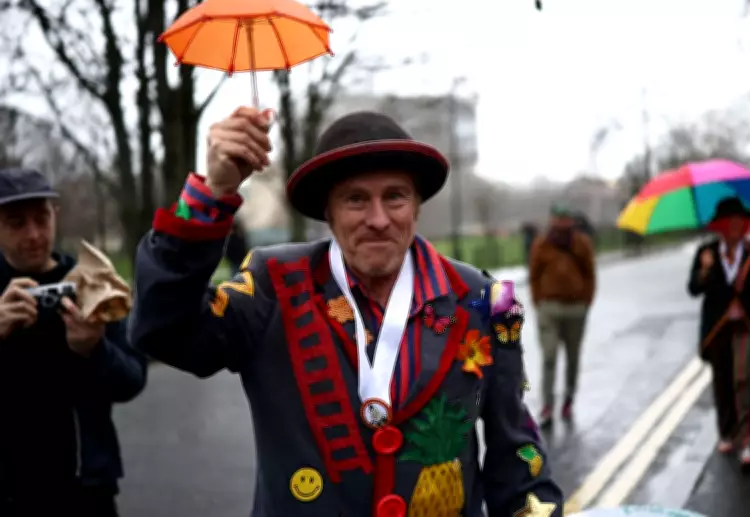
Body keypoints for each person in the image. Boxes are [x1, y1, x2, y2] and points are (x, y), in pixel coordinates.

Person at [129, 107, 564, 517]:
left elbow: (517, 458)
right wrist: (211, 193)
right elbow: (163, 329)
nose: (379, 219)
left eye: (395, 197)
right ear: (329, 213)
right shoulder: (273, 284)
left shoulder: (486, 300)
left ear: (416, 205)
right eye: (355, 200)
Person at [0, 168, 147, 516]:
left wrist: (94, 350)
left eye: (42, 218)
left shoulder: (91, 282)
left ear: (56, 214)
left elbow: (132, 379)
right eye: (17, 223)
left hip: (86, 487)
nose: (33, 234)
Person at [687, 197, 750, 468]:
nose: (734, 227)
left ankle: (749, 441)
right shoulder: (706, 252)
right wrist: (705, 270)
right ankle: (727, 432)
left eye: (739, 222)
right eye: (729, 222)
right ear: (719, 226)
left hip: (745, 327)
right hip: (717, 329)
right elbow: (694, 289)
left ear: (745, 225)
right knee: (722, 381)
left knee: (742, 378)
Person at [529, 204, 595, 427]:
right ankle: (547, 405)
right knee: (549, 356)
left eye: (566, 219)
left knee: (573, 357)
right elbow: (534, 276)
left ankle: (568, 398)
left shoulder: (581, 243)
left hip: (575, 308)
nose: (562, 223)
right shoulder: (542, 244)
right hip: (549, 308)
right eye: (558, 219)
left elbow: (589, 274)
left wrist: (586, 301)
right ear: (552, 220)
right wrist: (539, 302)